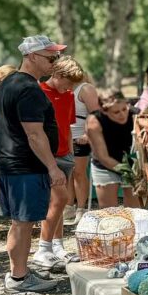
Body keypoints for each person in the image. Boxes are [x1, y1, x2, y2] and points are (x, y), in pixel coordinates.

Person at [0, 35, 66, 293]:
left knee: (20, 223)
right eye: (51, 57)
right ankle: (19, 278)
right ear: (32, 56)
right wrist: (52, 167)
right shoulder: (28, 88)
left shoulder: (9, 82)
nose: (55, 62)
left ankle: (19, 272)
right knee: (23, 223)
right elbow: (34, 134)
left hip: (12, 163)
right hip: (24, 166)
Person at [33, 56, 83, 271]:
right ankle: (43, 248)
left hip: (65, 155)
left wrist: (70, 154)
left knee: (59, 204)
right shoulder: (39, 92)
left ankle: (57, 246)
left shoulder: (68, 95)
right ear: (57, 74)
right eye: (68, 82)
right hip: (48, 156)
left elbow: (67, 127)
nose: (70, 88)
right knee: (58, 199)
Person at [86, 91, 140, 208]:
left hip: (128, 162)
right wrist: (127, 172)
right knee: (110, 213)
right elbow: (103, 157)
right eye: (116, 112)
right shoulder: (94, 122)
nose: (122, 114)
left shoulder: (134, 114)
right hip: (104, 165)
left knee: (135, 211)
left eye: (124, 109)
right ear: (104, 111)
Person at [65, 62, 101, 226]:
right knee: (67, 173)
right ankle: (68, 206)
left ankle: (81, 208)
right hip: (65, 137)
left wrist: (88, 134)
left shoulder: (85, 88)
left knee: (78, 173)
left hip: (80, 136)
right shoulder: (64, 88)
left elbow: (96, 114)